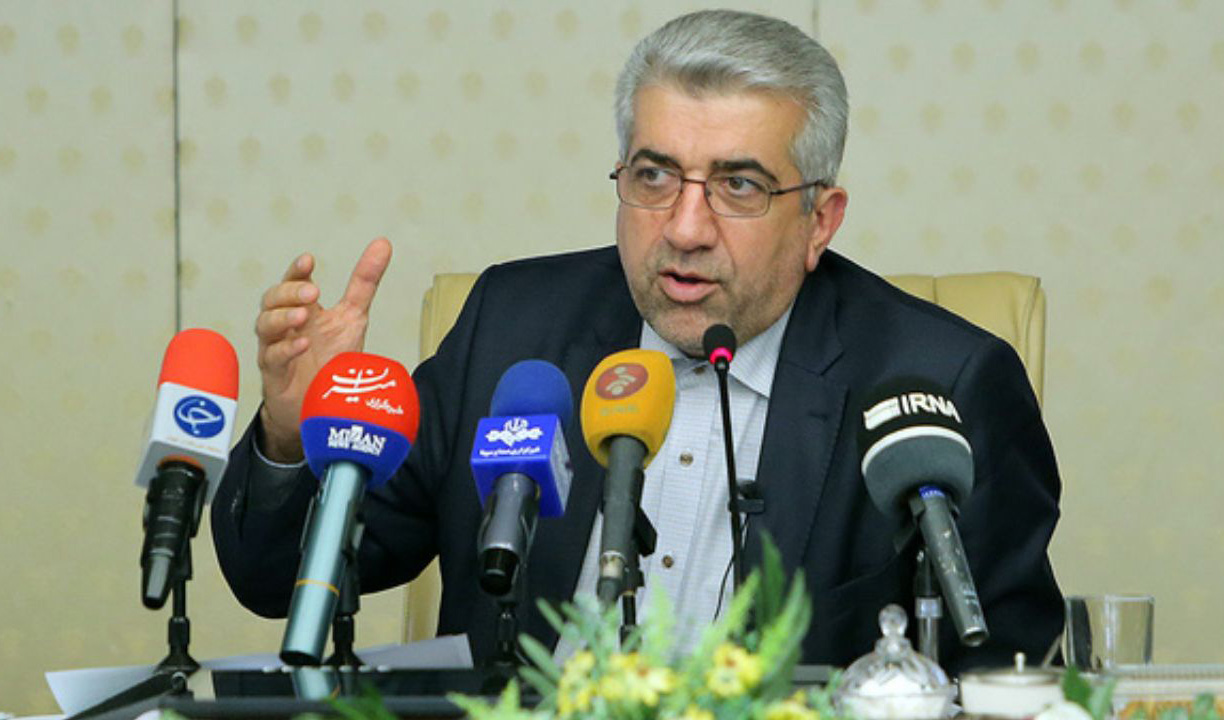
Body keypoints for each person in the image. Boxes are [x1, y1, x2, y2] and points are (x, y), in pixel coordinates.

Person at [212, 9, 1063, 672]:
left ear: (819, 220)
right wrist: (293, 437)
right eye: (654, 176)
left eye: (739, 185)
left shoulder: (943, 382)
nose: (685, 228)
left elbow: (1007, 679)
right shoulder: (512, 330)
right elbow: (278, 578)